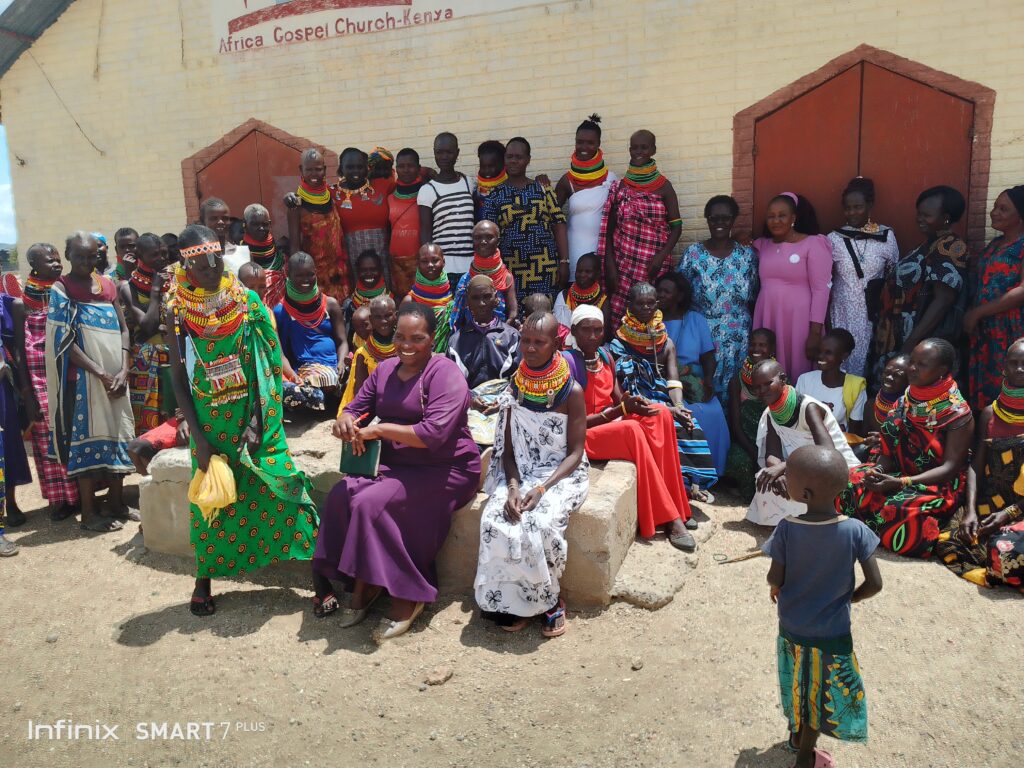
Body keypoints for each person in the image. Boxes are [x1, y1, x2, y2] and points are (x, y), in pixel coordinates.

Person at [165, 225, 319, 616]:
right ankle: (203, 580)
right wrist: (199, 439)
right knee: (212, 501)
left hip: (256, 418)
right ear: (185, 264)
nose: (211, 269)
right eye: (201, 265)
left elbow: (268, 360)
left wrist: (258, 419)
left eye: (216, 261)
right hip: (210, 425)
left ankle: (321, 579)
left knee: (285, 484)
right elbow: (178, 377)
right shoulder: (178, 310)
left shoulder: (246, 300)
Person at [315, 302, 481, 640]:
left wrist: (378, 430)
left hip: (445, 465)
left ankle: (408, 594)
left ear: (432, 339)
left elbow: (433, 434)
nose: (406, 345)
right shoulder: (385, 370)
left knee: (371, 504)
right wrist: (345, 420)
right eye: (400, 337)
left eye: (417, 338)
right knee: (341, 495)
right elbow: (356, 407)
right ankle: (366, 580)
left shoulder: (445, 374)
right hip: (395, 462)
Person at [764, 445, 882, 768]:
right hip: (832, 633)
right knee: (819, 693)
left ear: (805, 493)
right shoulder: (856, 530)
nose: (785, 479)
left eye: (789, 476)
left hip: (792, 629)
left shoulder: (787, 528)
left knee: (799, 684)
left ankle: (799, 744)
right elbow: (875, 583)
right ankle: (805, 753)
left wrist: (776, 585)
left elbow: (775, 577)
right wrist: (851, 597)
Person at [475, 312, 588, 637]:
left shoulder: (572, 392)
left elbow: (575, 453)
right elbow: (509, 451)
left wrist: (541, 489)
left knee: (540, 523)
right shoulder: (515, 388)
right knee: (496, 518)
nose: (530, 348)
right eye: (525, 340)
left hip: (561, 474)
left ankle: (550, 601)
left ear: (556, 344)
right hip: (519, 471)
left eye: (539, 342)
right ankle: (509, 602)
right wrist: (512, 487)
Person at [572, 304, 696, 549]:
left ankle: (676, 503)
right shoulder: (568, 364)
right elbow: (573, 422)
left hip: (610, 422)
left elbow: (621, 399)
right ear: (574, 331)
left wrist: (665, 408)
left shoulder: (605, 357)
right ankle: (669, 518)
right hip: (583, 433)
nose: (593, 336)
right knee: (632, 430)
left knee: (660, 414)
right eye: (586, 330)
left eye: (598, 330)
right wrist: (618, 412)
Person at [839, 339, 973, 558]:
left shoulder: (957, 413)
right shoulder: (905, 401)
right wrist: (878, 471)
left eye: (922, 364)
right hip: (898, 474)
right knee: (850, 480)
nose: (912, 368)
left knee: (901, 509)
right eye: (912, 361)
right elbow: (888, 452)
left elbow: (949, 468)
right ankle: (870, 527)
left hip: (935, 484)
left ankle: (873, 529)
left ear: (942, 371)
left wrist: (901, 482)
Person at [46, 232, 136, 533]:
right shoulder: (62, 288)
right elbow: (63, 340)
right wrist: (101, 373)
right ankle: (88, 513)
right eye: (80, 256)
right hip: (83, 380)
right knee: (84, 444)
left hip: (116, 378)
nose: (87, 261)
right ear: (68, 256)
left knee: (118, 435)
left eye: (92, 256)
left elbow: (123, 329)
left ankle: (117, 503)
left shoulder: (107, 285)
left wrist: (123, 369)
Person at [612, 282, 718, 500]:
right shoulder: (618, 344)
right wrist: (667, 410)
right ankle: (673, 489)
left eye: (651, 303)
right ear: (629, 306)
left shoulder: (666, 343)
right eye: (640, 304)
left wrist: (679, 406)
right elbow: (620, 390)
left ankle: (686, 484)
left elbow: (673, 380)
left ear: (657, 304)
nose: (646, 308)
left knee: (689, 424)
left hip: (665, 399)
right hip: (636, 402)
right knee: (666, 422)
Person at [937, 339, 1024, 589]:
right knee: (949, 539)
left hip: (1018, 508)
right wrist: (971, 511)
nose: (1020, 369)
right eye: (1014, 363)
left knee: (1005, 553)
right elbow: (976, 465)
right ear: (1003, 368)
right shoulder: (989, 413)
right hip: (993, 501)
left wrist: (1008, 514)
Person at [872, 186, 968, 385]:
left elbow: (943, 300)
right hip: (899, 335)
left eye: (926, 215)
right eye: (919, 213)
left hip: (917, 341)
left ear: (946, 218)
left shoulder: (949, 247)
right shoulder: (929, 244)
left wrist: (912, 343)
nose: (919, 219)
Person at [746, 359, 858, 527]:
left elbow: (827, 452)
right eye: (757, 387)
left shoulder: (808, 407)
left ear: (783, 379)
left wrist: (784, 467)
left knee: (810, 488)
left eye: (767, 384)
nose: (762, 391)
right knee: (767, 481)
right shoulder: (771, 413)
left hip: (831, 467)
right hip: (800, 469)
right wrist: (778, 474)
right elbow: (772, 453)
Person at [18, 243, 79, 522]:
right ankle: (59, 500)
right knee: (47, 438)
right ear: (33, 265)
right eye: (49, 261)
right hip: (38, 379)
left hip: (67, 373)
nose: (56, 264)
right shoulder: (22, 304)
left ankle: (78, 496)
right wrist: (27, 394)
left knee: (72, 432)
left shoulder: (66, 292)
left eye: (57, 260)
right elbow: (20, 353)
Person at [677, 195, 759, 401]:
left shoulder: (747, 255)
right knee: (704, 387)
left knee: (736, 389)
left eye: (725, 218)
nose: (719, 223)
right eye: (714, 218)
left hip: (738, 335)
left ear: (733, 220)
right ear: (707, 219)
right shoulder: (693, 254)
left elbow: (755, 294)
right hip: (702, 333)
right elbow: (680, 293)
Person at [598, 130, 682, 325]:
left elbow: (677, 228)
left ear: (653, 150)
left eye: (644, 147)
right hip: (623, 267)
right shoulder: (620, 187)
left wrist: (660, 258)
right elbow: (609, 232)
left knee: (650, 317)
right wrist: (610, 266)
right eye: (634, 147)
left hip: (654, 267)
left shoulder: (664, 187)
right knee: (621, 318)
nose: (639, 151)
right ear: (629, 150)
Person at [753, 193, 832, 381]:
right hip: (768, 315)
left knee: (798, 368)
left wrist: (815, 333)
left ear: (793, 218)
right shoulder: (762, 245)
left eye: (782, 215)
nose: (776, 221)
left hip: (799, 321)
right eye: (771, 216)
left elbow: (821, 290)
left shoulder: (813, 243)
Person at [480, 137, 568, 305]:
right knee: (514, 312)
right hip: (510, 267)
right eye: (509, 156)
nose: (513, 161)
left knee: (543, 310)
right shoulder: (495, 195)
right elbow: (488, 235)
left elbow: (558, 223)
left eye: (519, 157)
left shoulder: (542, 189)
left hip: (544, 266)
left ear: (528, 159)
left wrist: (564, 261)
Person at [657, 272, 730, 477]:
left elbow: (708, 357)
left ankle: (714, 471)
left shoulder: (695, 320)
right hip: (663, 379)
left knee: (712, 411)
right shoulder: (651, 320)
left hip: (694, 379)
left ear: (680, 296)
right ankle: (685, 474)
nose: (660, 295)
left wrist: (707, 382)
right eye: (659, 290)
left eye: (666, 291)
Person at [827, 178, 899, 378]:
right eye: (847, 208)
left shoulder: (886, 237)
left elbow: (893, 275)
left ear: (869, 206)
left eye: (857, 207)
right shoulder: (833, 239)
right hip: (842, 312)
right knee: (840, 364)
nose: (852, 213)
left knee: (868, 366)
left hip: (872, 314)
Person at [964, 185, 1024, 410]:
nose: (994, 213)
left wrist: (977, 313)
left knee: (1009, 384)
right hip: (986, 331)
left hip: (1010, 329)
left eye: (1003, 209)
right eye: (995, 206)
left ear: (1020, 217)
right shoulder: (994, 245)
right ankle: (986, 429)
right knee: (984, 390)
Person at [274, 252, 348, 412]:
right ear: (288, 275)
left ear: (316, 272)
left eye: (310, 274)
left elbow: (342, 341)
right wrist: (293, 376)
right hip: (304, 368)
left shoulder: (330, 304)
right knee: (308, 388)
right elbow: (281, 352)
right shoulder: (281, 311)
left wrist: (341, 363)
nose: (305, 280)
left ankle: (324, 398)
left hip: (334, 365)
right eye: (299, 275)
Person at [118, 233, 174, 434]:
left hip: (173, 356)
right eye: (155, 255)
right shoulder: (128, 287)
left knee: (173, 417)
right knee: (147, 423)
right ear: (140, 256)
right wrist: (156, 290)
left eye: (164, 253)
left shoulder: (175, 281)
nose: (162, 258)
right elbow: (148, 325)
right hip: (145, 362)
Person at [554, 115, 618, 281]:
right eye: (580, 142)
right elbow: (553, 218)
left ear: (598, 144)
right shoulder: (566, 180)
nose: (584, 147)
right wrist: (563, 260)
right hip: (574, 252)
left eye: (590, 143)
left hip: (603, 252)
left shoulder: (611, 178)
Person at [286, 148, 349, 302]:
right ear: (301, 170)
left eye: (318, 169)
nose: (314, 174)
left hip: (339, 273)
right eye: (309, 170)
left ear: (325, 170)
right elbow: (295, 246)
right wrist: (297, 279)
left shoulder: (333, 195)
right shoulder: (296, 205)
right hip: (314, 276)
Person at [724, 329, 775, 499]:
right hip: (746, 441)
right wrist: (754, 452)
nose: (756, 349)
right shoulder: (737, 381)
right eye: (753, 344)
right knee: (738, 460)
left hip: (773, 442)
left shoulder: (780, 379)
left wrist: (767, 452)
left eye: (762, 345)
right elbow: (735, 425)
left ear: (772, 349)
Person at [418, 132, 475, 281]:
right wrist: (429, 265)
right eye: (439, 152)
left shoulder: (468, 183)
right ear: (434, 153)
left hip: (470, 266)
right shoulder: (427, 190)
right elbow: (425, 231)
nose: (444, 157)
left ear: (457, 153)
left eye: (449, 152)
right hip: (443, 268)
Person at [448, 275, 520, 388]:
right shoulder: (456, 341)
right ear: (467, 302)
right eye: (475, 298)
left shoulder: (511, 336)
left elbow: (519, 376)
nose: (481, 303)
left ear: (496, 298)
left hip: (505, 396)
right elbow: (452, 381)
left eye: (487, 296)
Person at [333, 147, 391, 285]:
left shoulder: (384, 186)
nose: (355, 171)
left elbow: (409, 182)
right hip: (351, 260)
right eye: (350, 167)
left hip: (383, 259)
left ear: (367, 168)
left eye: (360, 167)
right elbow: (309, 193)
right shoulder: (331, 193)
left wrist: (428, 172)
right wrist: (292, 197)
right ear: (341, 169)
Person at [794, 329, 867, 436]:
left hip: (836, 443)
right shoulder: (805, 380)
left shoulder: (855, 387)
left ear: (844, 356)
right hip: (804, 440)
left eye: (828, 353)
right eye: (819, 351)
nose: (820, 356)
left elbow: (853, 433)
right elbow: (795, 419)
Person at [0, 283, 32, 528]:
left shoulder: (7, 305)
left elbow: (17, 347)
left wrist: (24, 388)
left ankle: (9, 503)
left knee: (7, 442)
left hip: (2, 384)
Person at [450, 221, 519, 330]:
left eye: (489, 237)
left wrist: (503, 332)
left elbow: (513, 312)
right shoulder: (465, 279)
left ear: (498, 241)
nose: (483, 242)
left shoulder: (506, 277)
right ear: (472, 241)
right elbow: (458, 317)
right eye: (478, 238)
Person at [339, 294, 397, 410]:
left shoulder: (405, 346)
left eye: (388, 316)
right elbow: (359, 392)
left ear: (396, 316)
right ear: (371, 320)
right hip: (376, 405)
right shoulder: (363, 353)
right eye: (378, 317)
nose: (383, 321)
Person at [388, 148, 426, 299]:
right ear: (396, 169)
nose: (406, 170)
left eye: (410, 166)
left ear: (418, 168)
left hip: (421, 262)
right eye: (401, 166)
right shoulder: (389, 198)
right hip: (396, 265)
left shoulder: (426, 195)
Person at [403, 243, 454, 352]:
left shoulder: (454, 294)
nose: (430, 265)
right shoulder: (409, 301)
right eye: (424, 261)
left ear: (444, 262)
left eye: (435, 260)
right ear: (417, 264)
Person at [553, 252, 609, 339]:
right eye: (579, 271)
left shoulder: (603, 301)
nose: (582, 275)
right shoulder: (564, 296)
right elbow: (558, 331)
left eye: (588, 271)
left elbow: (602, 336)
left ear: (597, 274)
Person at [242, 203, 286, 308]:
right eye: (255, 224)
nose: (261, 228)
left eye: (264, 224)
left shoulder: (280, 252)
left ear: (270, 224)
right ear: (245, 225)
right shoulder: (241, 255)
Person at [342, 250, 391, 338]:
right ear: (357, 271)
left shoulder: (392, 301)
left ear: (381, 270)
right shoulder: (350, 305)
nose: (368, 273)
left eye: (373, 269)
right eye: (364, 270)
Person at [199, 198, 250, 274]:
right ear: (203, 222)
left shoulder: (244, 253)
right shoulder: (197, 256)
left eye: (225, 218)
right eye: (214, 218)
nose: (220, 222)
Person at [474, 139, 508, 215]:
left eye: (491, 166)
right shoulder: (474, 190)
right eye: (483, 166)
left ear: (503, 163)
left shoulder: (511, 187)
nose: (487, 170)